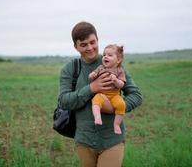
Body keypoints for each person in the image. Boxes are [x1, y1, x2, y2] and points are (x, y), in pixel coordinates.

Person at [58, 21, 143, 167]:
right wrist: (91, 88)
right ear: (76, 46)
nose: (90, 48)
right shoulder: (70, 69)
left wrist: (115, 108)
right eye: (84, 44)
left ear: (97, 39)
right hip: (84, 140)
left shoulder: (113, 63)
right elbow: (64, 101)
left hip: (112, 139)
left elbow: (136, 95)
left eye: (92, 42)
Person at [89, 44, 126, 135]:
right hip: (102, 94)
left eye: (110, 55)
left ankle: (116, 124)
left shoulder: (119, 70)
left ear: (118, 60)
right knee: (96, 101)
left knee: (121, 104)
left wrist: (116, 81)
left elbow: (121, 84)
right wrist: (92, 75)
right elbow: (93, 76)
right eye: (104, 55)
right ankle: (97, 117)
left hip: (114, 95)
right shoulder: (101, 68)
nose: (106, 57)